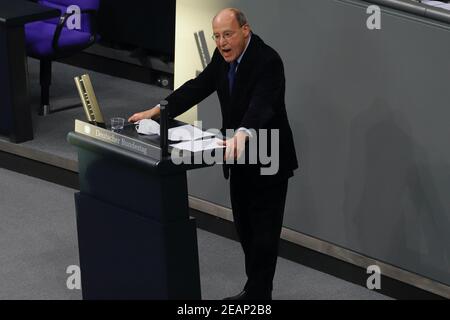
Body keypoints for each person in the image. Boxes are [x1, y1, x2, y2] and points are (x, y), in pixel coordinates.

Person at [128, 8, 298, 300]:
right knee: (246, 229)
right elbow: (197, 87)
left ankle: (257, 297)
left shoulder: (268, 61)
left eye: (227, 34)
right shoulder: (222, 58)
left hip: (268, 156)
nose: (222, 42)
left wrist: (243, 133)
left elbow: (262, 105)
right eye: (217, 36)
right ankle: (255, 292)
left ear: (245, 30)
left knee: (264, 235)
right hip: (238, 156)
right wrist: (158, 110)